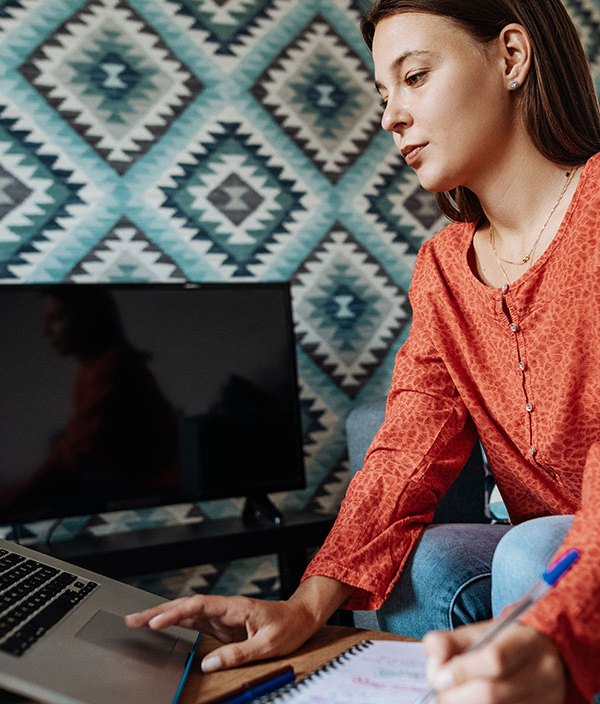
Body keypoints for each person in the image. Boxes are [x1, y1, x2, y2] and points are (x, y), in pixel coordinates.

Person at [126, 1, 600, 701]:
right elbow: (406, 449)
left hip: (567, 559)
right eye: (384, 94)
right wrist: (304, 606)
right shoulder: (441, 268)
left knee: (534, 549)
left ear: (511, 57)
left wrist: (564, 623)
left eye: (414, 77)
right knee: (431, 559)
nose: (390, 118)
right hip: (554, 552)